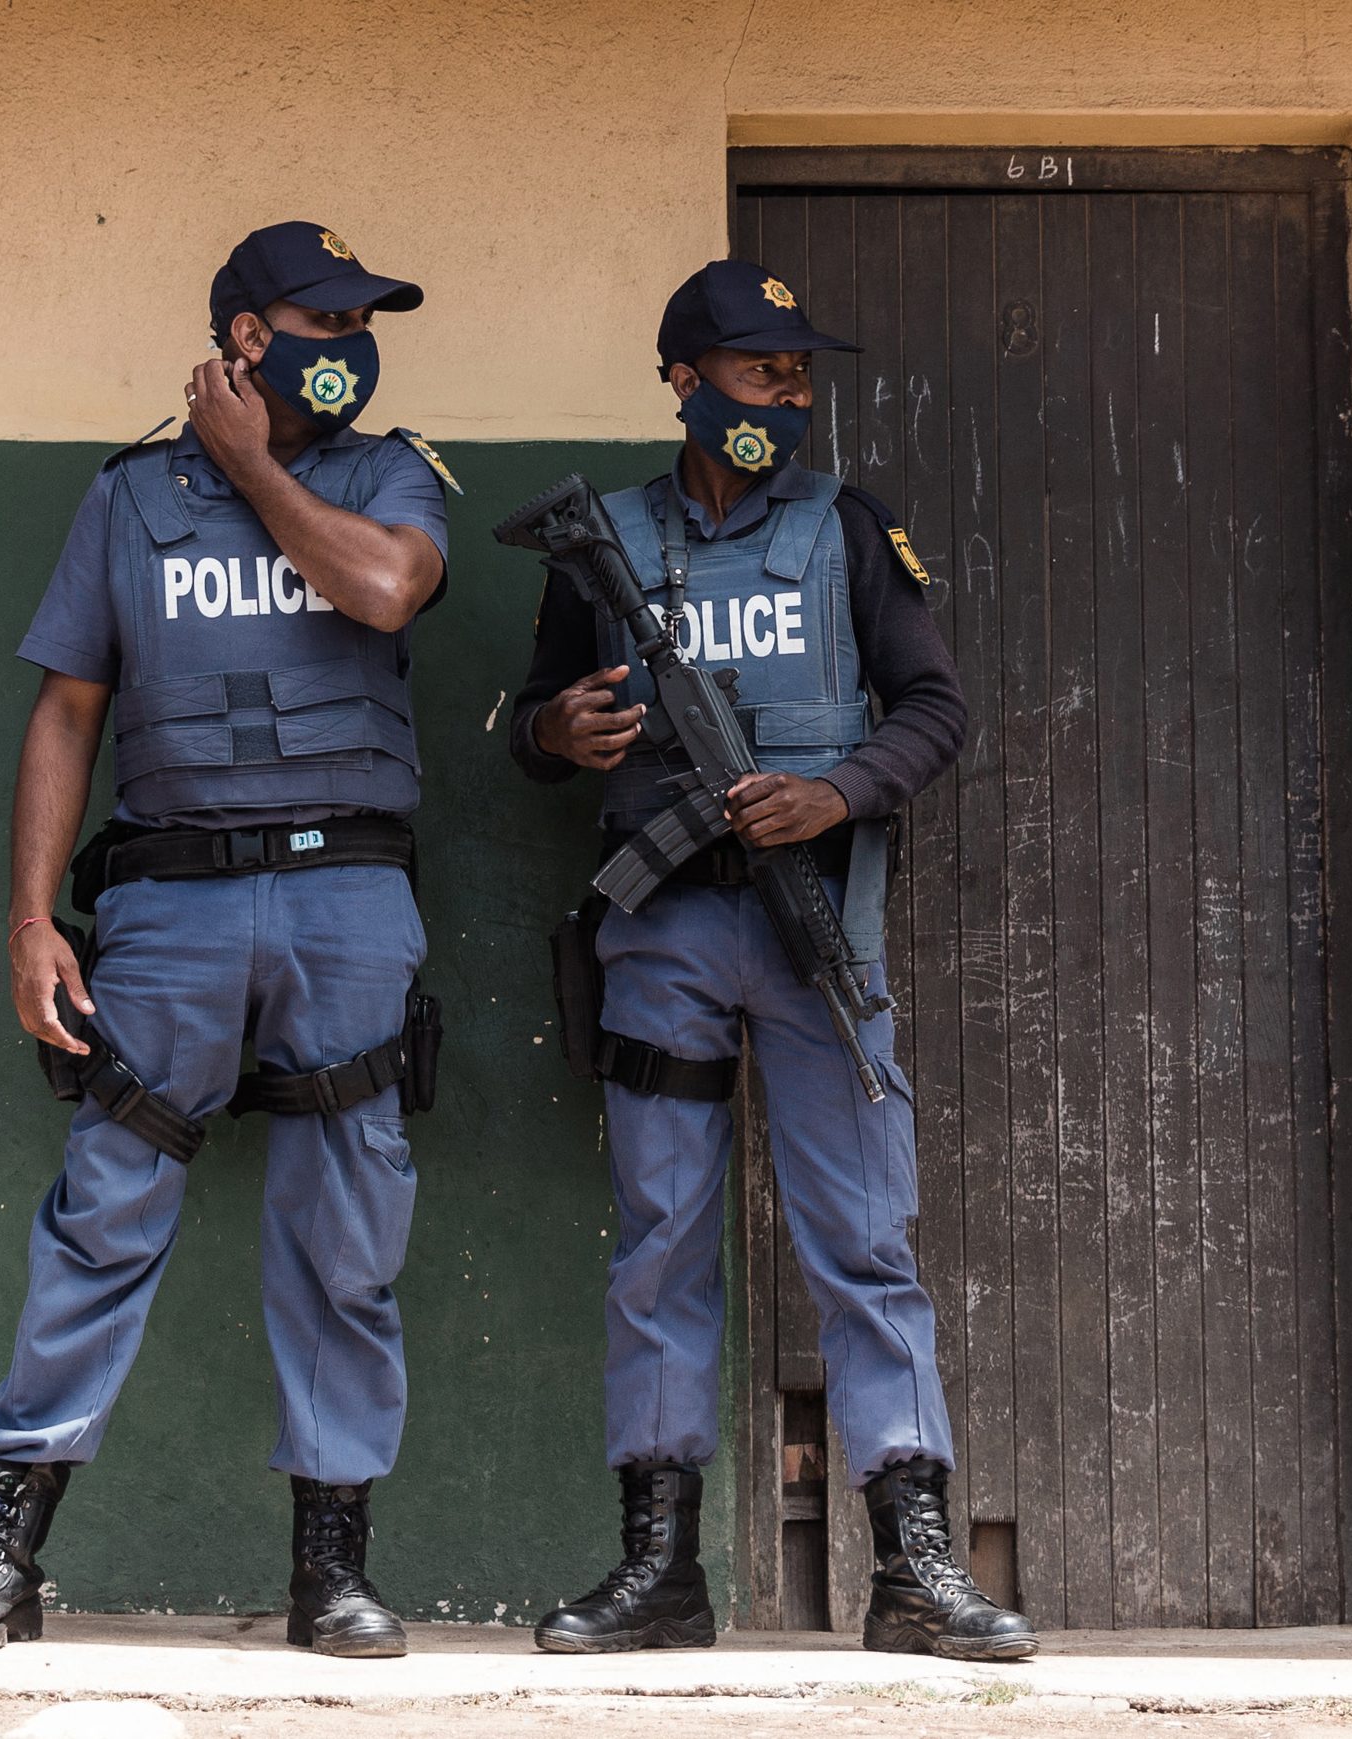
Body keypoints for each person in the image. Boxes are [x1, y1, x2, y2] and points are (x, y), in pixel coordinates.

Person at [0, 221, 454, 1660]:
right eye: (319, 321)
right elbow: (67, 711)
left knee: (347, 1233)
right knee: (103, 1214)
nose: (348, 346)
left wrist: (257, 465)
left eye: (361, 322)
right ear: (243, 337)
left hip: (347, 895)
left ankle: (331, 1573)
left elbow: (388, 590)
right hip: (171, 904)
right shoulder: (130, 499)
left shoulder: (388, 478)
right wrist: (31, 921)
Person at [506, 259, 1034, 1662]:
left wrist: (839, 792)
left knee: (863, 1243)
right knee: (661, 1241)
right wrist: (560, 733)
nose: (784, 397)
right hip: (666, 937)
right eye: (757, 372)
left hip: (816, 940)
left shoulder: (847, 529)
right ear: (684, 378)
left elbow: (936, 706)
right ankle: (660, 1573)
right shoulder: (601, 542)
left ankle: (913, 1570)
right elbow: (528, 727)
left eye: (798, 375)